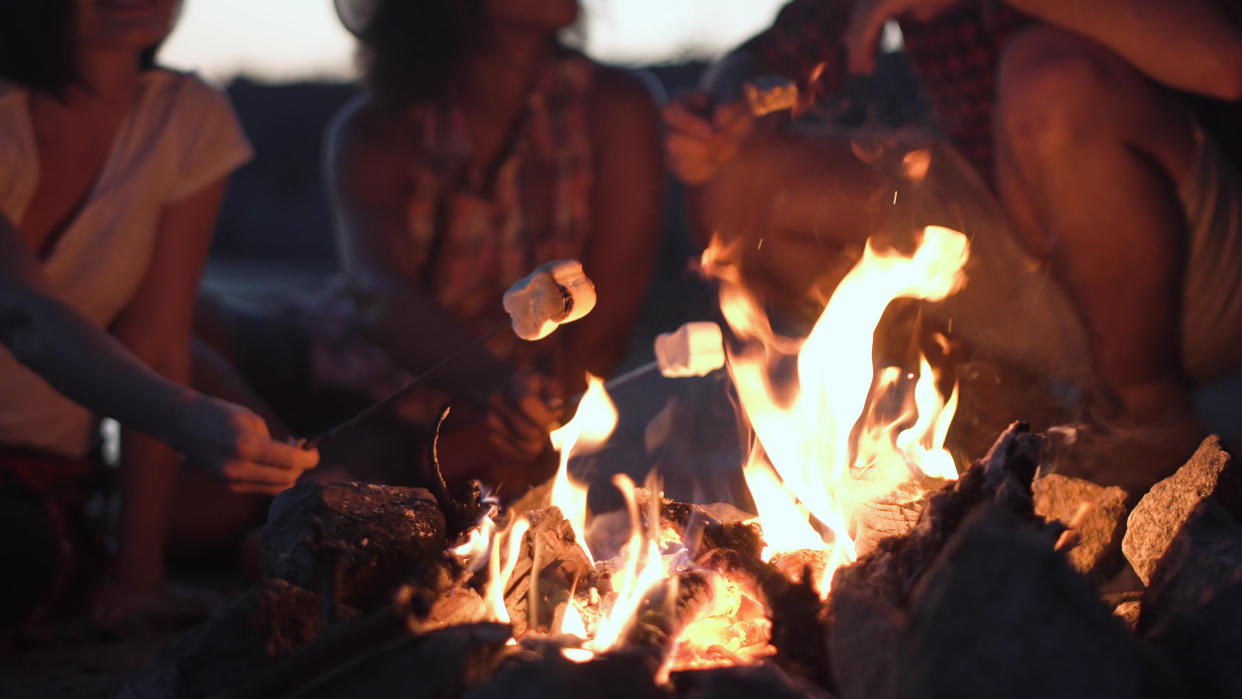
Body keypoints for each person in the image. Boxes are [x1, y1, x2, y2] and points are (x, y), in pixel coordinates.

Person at [666, 0, 1242, 493]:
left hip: (1192, 264)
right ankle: (1000, 411)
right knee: (734, 188)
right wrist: (725, 110)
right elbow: (780, 55)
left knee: (1048, 80)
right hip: (1017, 257)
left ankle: (1148, 420)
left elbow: (1222, 58)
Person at [204, 0, 664, 492]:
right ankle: (300, 480)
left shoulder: (615, 106)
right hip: (353, 370)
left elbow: (608, 315)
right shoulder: (378, 129)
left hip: (496, 422)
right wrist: (491, 383)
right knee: (186, 326)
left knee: (442, 467)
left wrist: (538, 412)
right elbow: (378, 293)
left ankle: (313, 491)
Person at [0, 0, 318, 627]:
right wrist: (184, 418)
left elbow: (160, 343)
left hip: (47, 479)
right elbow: (23, 315)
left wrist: (139, 578)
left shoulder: (184, 116)